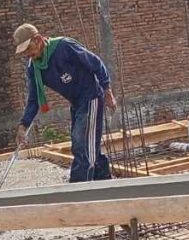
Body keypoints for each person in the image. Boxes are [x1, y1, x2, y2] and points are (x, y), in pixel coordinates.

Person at [13, 23, 117, 182]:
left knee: (81, 143)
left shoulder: (63, 46)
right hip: (76, 102)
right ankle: (104, 180)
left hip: (91, 96)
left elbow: (95, 62)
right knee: (86, 144)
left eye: (29, 48)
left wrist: (107, 89)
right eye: (24, 51)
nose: (28, 54)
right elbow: (33, 99)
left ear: (38, 39)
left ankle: (80, 187)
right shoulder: (34, 68)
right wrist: (23, 126)